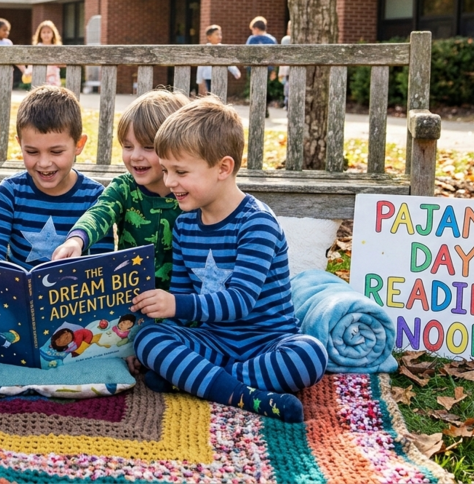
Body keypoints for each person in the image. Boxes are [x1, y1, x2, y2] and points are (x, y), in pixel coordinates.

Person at [130, 96, 328, 424]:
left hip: (265, 342)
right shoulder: (184, 225)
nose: (168, 182)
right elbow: (183, 311)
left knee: (309, 356)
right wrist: (162, 325)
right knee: (149, 339)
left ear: (223, 168)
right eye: (165, 170)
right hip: (212, 341)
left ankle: (204, 381)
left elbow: (240, 302)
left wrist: (175, 306)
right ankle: (240, 393)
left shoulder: (256, 223)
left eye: (180, 171)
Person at [52, 90, 188, 290]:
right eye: (128, 146)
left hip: (179, 299)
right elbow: (100, 213)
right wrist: (76, 240)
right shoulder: (124, 188)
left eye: (148, 147)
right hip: (130, 295)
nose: (135, 156)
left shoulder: (187, 192)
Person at [0, 85, 113, 269]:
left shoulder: (95, 197)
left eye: (56, 152)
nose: (43, 163)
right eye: (32, 151)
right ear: (20, 144)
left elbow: (101, 264)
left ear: (79, 145)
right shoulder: (9, 192)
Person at [0, 18, 25, 115]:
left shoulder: (8, 43)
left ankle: (3, 114)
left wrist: (24, 70)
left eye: (8, 30)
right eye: (4, 30)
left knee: (6, 94)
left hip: (7, 72)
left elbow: (14, 58)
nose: (7, 32)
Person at [246, 16, 277, 117]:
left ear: (256, 28)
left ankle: (257, 109)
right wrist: (274, 71)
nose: (252, 32)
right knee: (265, 87)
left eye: (252, 30)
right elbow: (276, 56)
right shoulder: (272, 40)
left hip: (253, 68)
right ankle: (265, 108)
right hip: (268, 68)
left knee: (255, 89)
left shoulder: (252, 39)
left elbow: (245, 53)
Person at [196, 25, 241, 94]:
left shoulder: (223, 48)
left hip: (221, 75)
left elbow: (228, 61)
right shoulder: (206, 49)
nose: (219, 36)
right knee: (210, 94)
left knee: (220, 93)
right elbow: (201, 66)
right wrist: (199, 80)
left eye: (220, 34)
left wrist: (235, 71)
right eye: (217, 34)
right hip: (208, 76)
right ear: (209, 37)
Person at [30, 20, 62, 87]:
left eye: (48, 32)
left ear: (53, 33)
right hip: (40, 74)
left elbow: (61, 62)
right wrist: (29, 71)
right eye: (44, 32)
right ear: (40, 34)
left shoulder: (56, 47)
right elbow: (32, 61)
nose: (46, 34)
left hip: (53, 76)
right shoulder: (38, 46)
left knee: (54, 94)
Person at [279, 21, 292, 110]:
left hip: (288, 71)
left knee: (288, 89)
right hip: (289, 71)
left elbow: (282, 58)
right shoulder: (286, 40)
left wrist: (281, 72)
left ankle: (287, 104)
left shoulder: (286, 40)